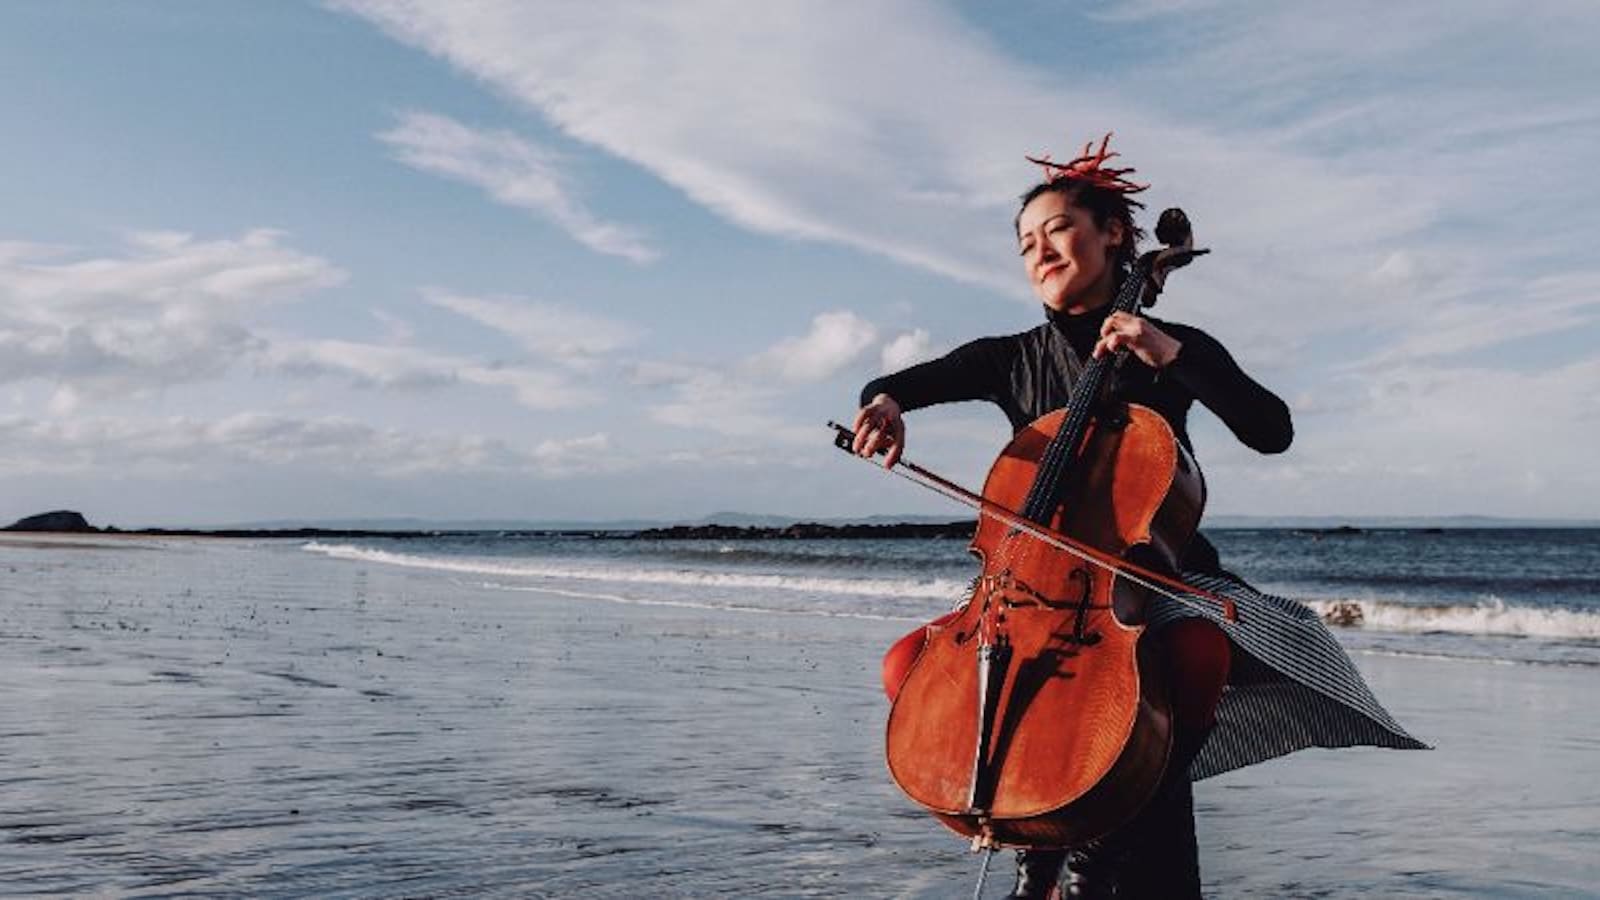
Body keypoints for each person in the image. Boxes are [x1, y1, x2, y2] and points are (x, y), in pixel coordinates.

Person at [849, 136, 1423, 899]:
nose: (1039, 250)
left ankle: (1096, 843)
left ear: (1114, 233)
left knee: (1194, 651)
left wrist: (1168, 350)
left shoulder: (1174, 346)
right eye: (1025, 243)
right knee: (904, 666)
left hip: (1151, 572)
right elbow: (896, 382)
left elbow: (1272, 429)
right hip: (1030, 589)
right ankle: (1033, 838)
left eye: (1055, 228)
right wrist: (882, 404)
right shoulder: (1008, 358)